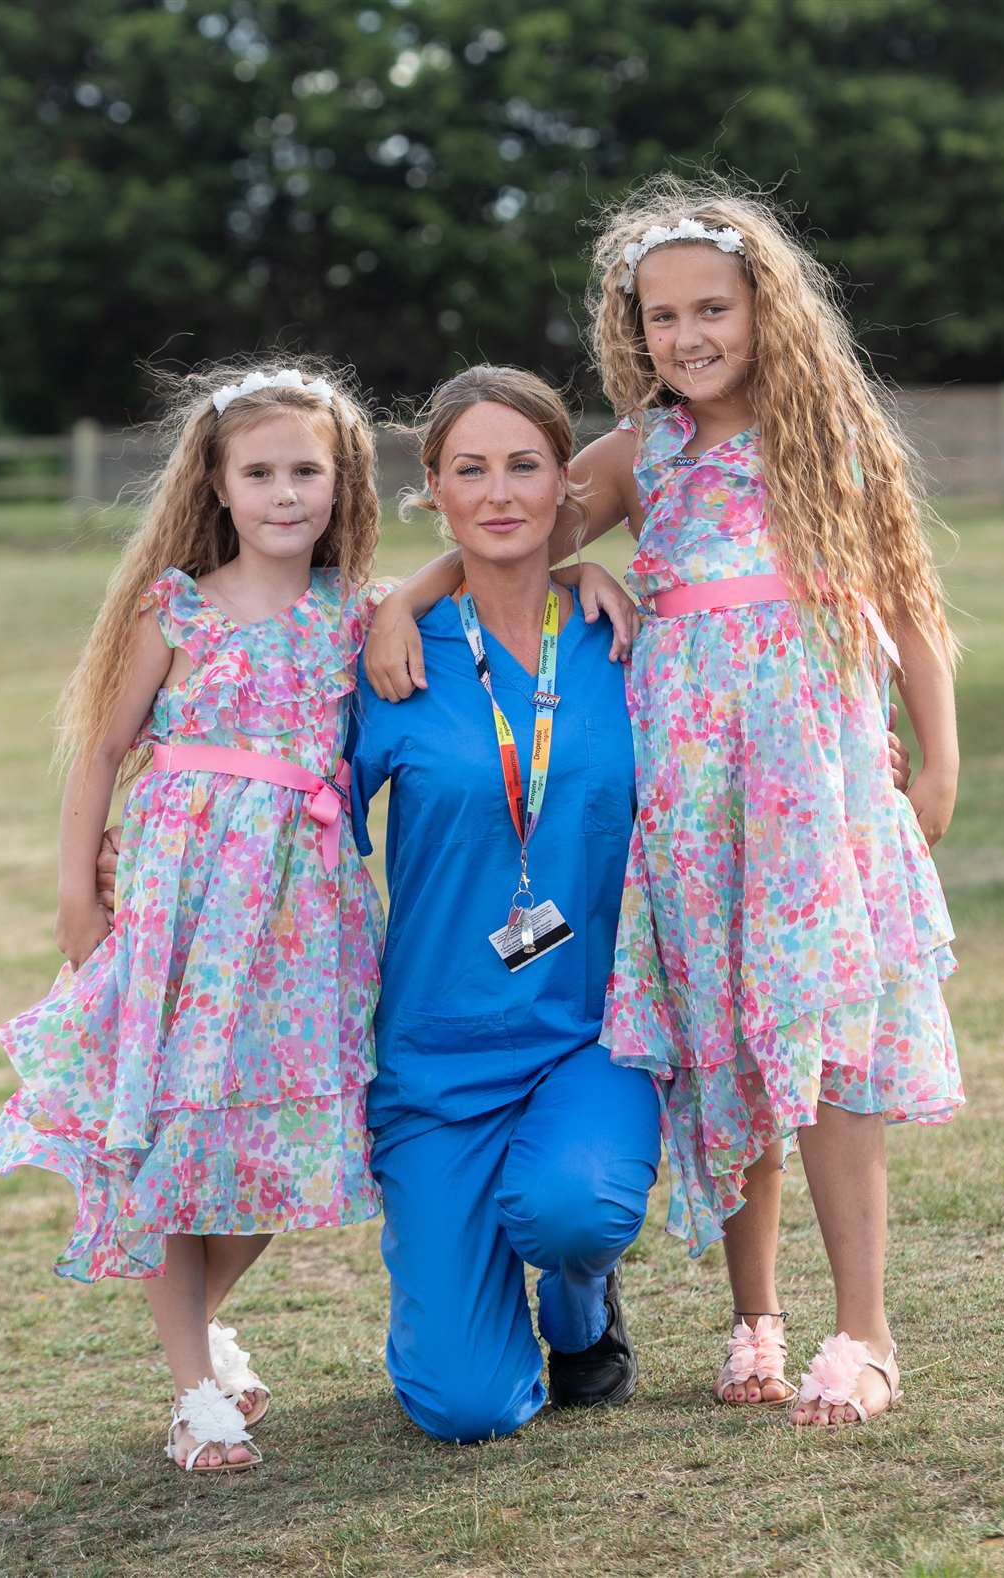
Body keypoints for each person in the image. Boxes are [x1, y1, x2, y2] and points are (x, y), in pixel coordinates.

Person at [368, 176, 962, 1428]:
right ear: (629, 331)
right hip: (694, 799)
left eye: (713, 311)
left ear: (766, 309)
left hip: (812, 787)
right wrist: (401, 599)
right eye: (660, 318)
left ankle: (866, 1328)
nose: (687, 338)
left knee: (827, 1042)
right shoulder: (644, 453)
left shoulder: (826, 434)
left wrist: (939, 753)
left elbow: (907, 599)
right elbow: (511, 520)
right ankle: (756, 1315)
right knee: (722, 1046)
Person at [0, 360, 387, 1472]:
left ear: (340, 477)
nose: (284, 493)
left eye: (306, 470)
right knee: (170, 1130)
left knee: (282, 1142)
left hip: (304, 915)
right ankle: (190, 1391)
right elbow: (107, 749)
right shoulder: (176, 604)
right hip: (180, 905)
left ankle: (203, 1322)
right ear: (217, 483)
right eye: (258, 471)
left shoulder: (354, 613)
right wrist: (80, 892)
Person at [350, 366, 662, 1443]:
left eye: (524, 465)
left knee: (571, 1207)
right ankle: (469, 1305)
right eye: (468, 470)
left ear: (564, 484)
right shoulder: (388, 655)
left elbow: (750, 725)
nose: (499, 493)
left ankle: (578, 1308)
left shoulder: (626, 633)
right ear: (431, 489)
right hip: (437, 1058)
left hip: (595, 1035)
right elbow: (290, 813)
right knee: (467, 1409)